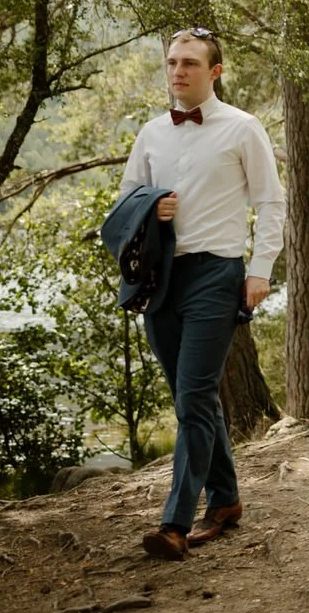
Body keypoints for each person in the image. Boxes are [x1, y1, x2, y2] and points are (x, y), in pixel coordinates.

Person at [116, 29, 283, 561]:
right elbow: (124, 205)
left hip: (217, 273)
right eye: (171, 62)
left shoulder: (242, 127)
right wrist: (152, 205)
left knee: (192, 398)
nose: (178, 71)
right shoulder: (150, 134)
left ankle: (174, 524)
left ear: (215, 71)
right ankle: (227, 499)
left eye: (189, 63)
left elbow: (271, 202)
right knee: (195, 398)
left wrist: (260, 271)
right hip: (161, 279)